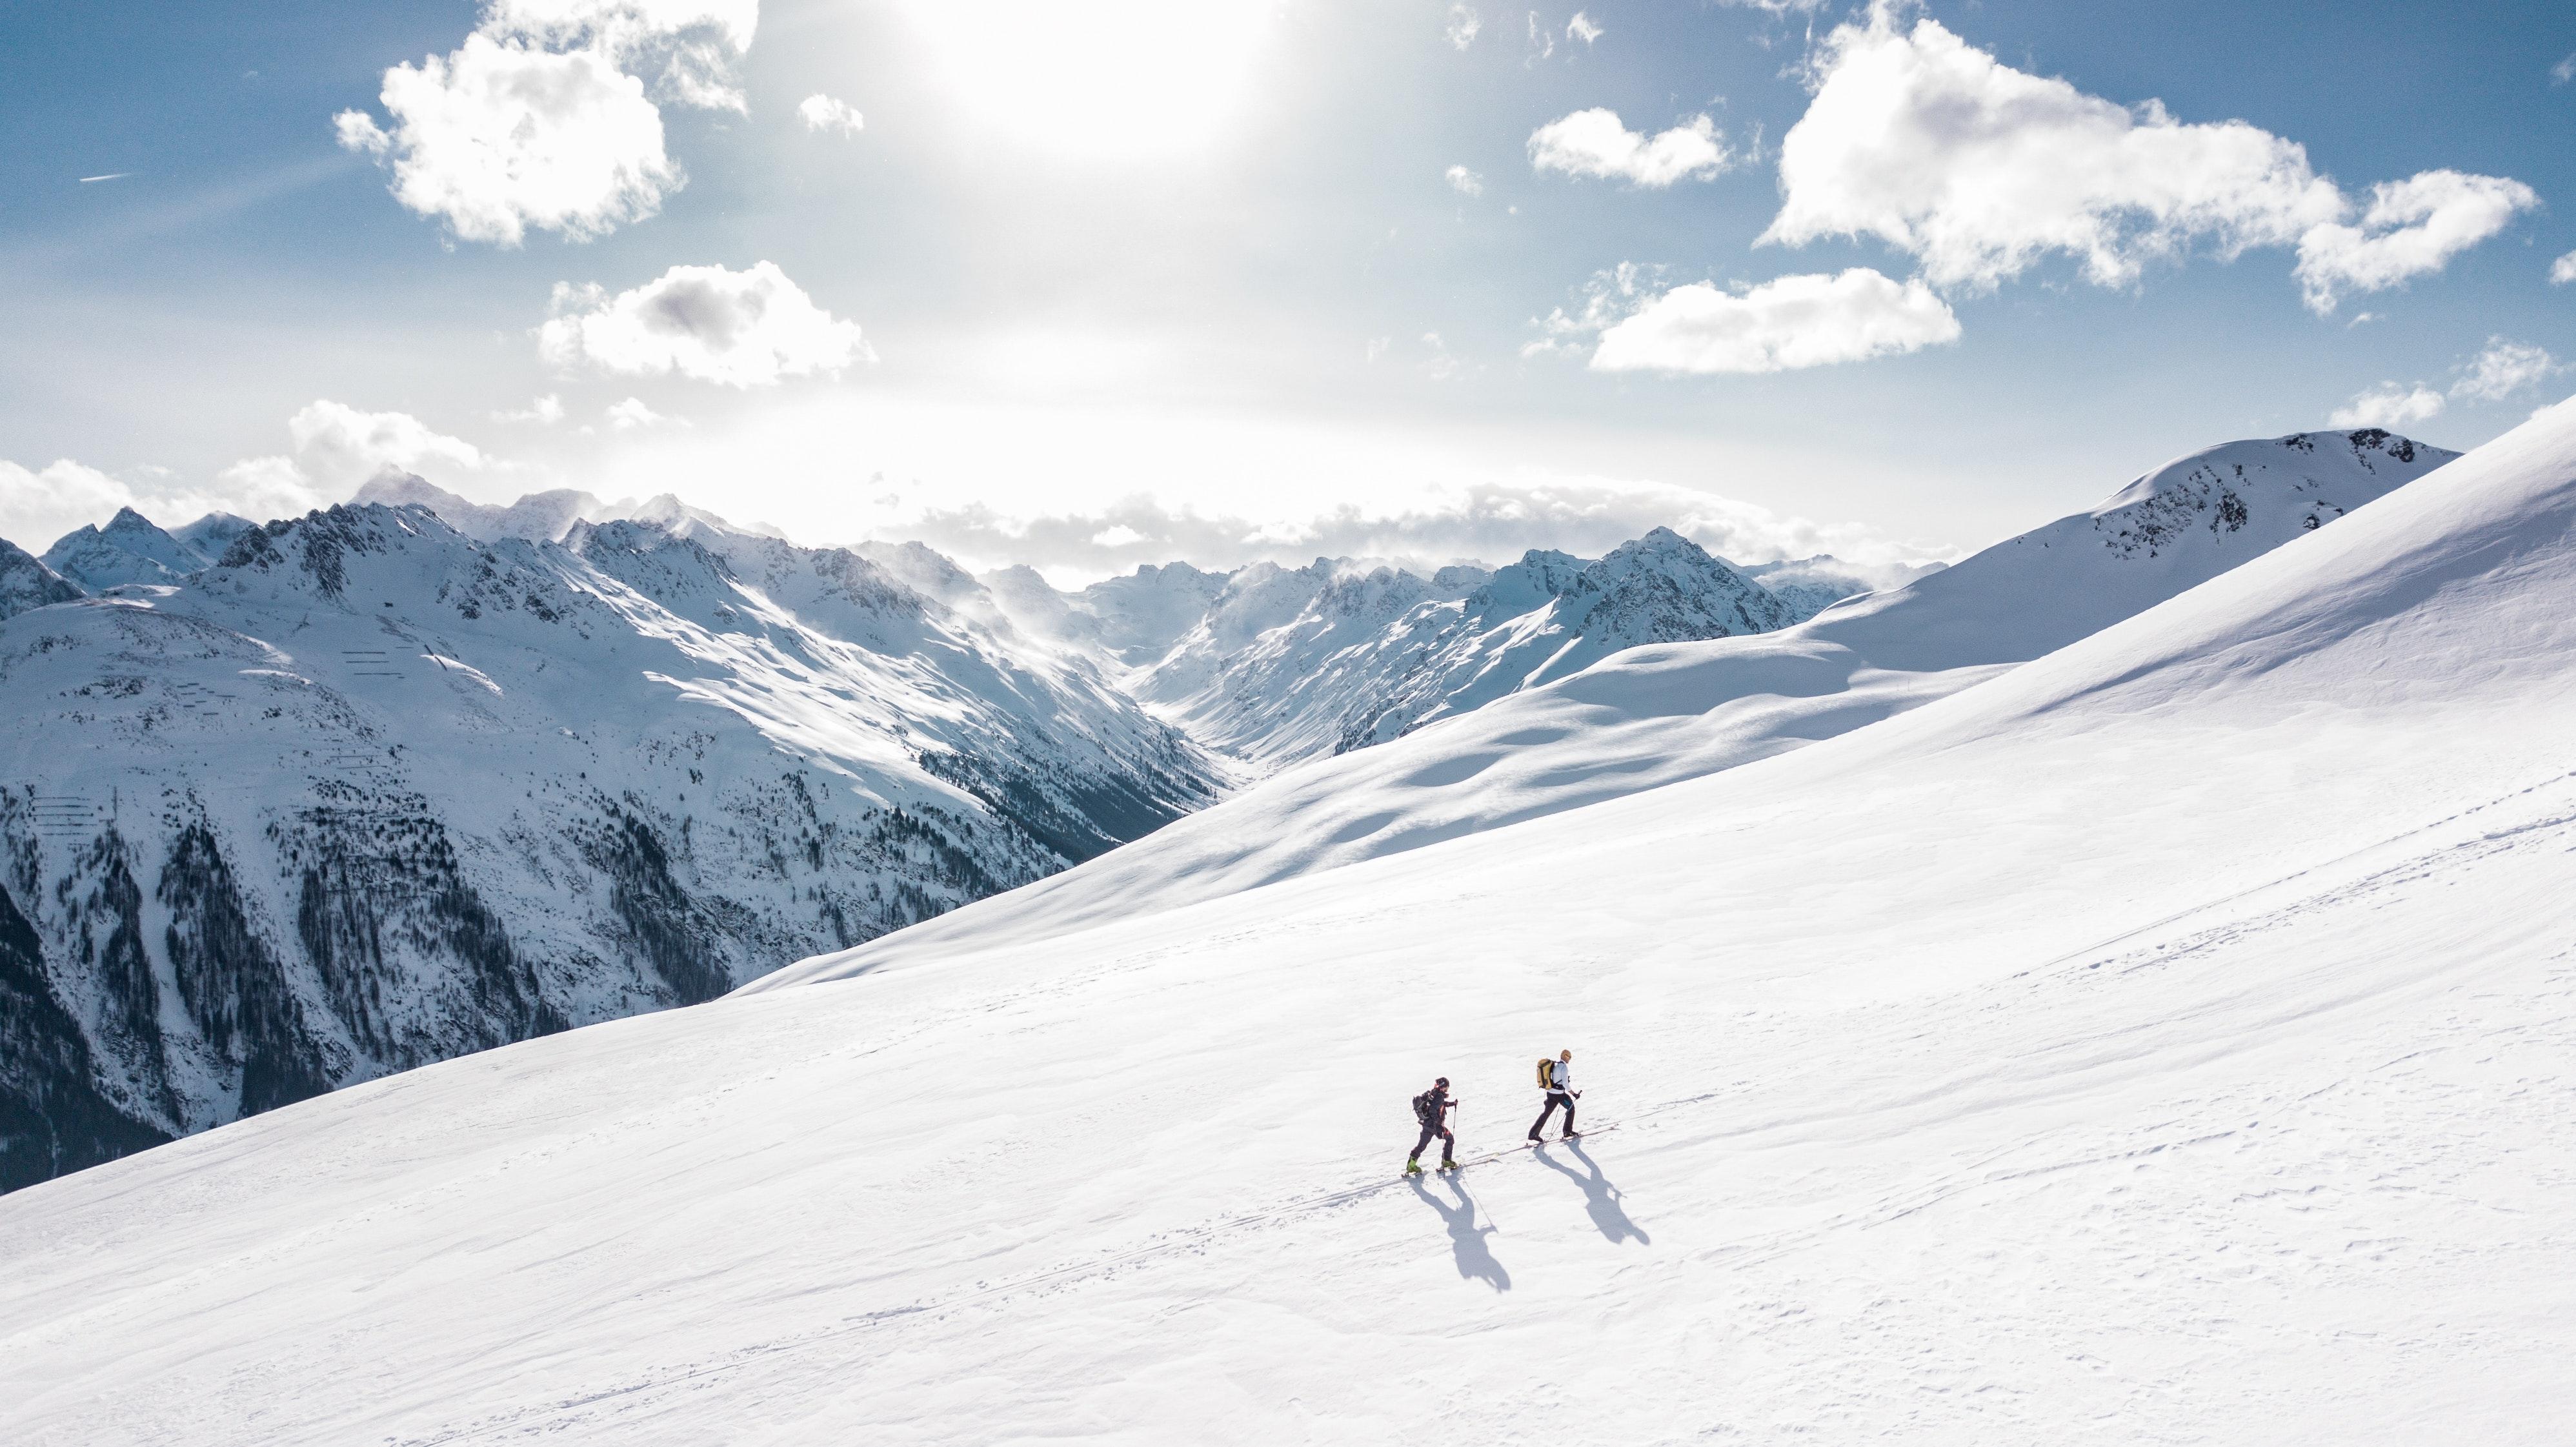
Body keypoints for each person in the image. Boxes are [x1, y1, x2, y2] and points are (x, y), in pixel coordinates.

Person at [1406, 1077, 1460, 1173]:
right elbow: (1433, 1109)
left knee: (1421, 1146)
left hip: (1427, 1125)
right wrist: (1438, 1121)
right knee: (1450, 1139)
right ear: (1444, 1087)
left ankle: (1411, 1166)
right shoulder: (1439, 1096)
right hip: (1436, 1126)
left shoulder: (1434, 1093)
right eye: (1447, 1088)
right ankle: (1446, 1161)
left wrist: (1452, 1104)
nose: (1447, 1089)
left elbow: (1439, 1104)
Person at [1530, 1048, 1580, 1141]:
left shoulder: (1555, 1065)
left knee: (1546, 1114)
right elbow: (1565, 1084)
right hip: (1559, 1095)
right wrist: (1574, 1094)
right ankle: (1567, 1131)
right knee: (1571, 1108)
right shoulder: (1564, 1068)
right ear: (1565, 1056)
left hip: (1550, 1094)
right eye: (1569, 1057)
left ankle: (1533, 1134)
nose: (1570, 1059)